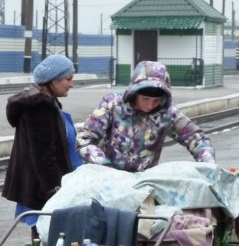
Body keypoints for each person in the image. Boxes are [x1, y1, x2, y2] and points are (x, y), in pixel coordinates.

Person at [77, 60, 215, 171]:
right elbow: (84, 140)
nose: (150, 106)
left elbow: (197, 138)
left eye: (156, 101)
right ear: (134, 94)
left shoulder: (167, 113)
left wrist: (208, 164)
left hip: (143, 182)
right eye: (145, 99)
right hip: (106, 179)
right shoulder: (112, 105)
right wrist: (105, 166)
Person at [2, 54, 78, 241]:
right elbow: (43, 154)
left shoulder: (43, 102)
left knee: (42, 239)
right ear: (54, 79)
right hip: (42, 190)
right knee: (46, 241)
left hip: (39, 187)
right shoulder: (40, 107)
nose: (71, 84)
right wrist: (54, 190)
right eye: (68, 79)